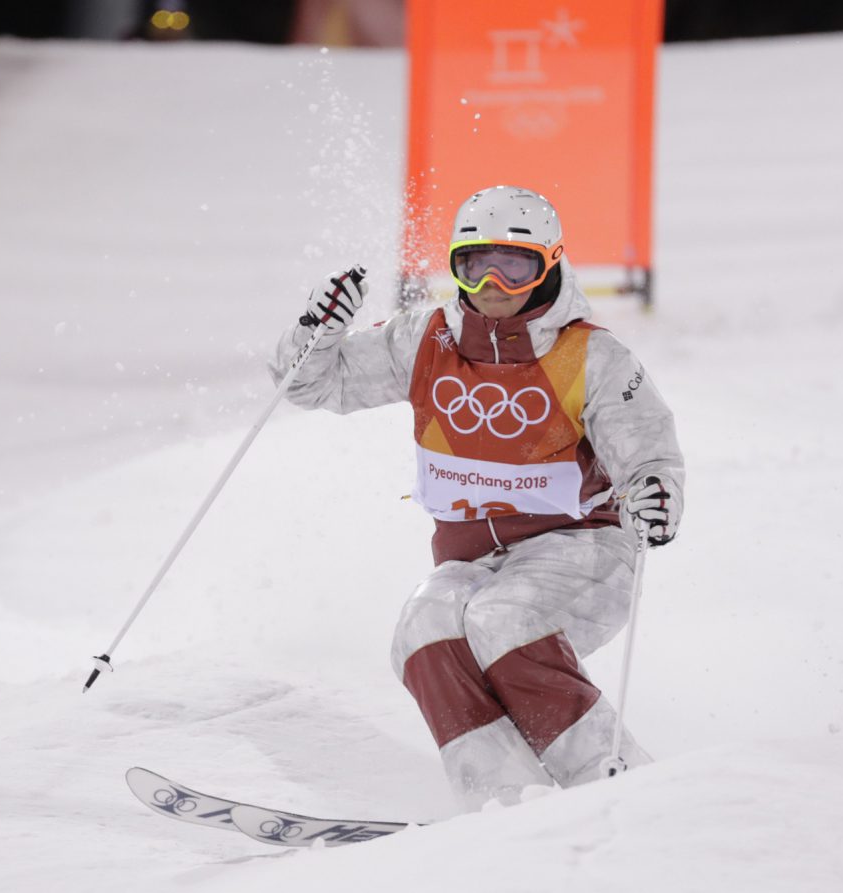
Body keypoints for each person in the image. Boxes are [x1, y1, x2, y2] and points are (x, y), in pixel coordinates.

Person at [270, 185, 684, 809]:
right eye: (473, 263)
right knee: (423, 626)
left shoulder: (591, 356)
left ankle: (614, 783)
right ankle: (504, 796)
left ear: (549, 265)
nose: (493, 282)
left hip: (583, 551)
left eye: (515, 266)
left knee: (505, 618)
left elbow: (648, 455)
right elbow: (311, 386)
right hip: (473, 561)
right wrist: (316, 330)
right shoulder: (425, 341)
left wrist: (654, 494)